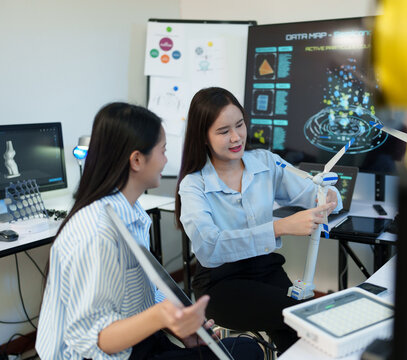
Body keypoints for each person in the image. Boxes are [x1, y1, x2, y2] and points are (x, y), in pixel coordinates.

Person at [36, 102, 262, 360]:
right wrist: (161, 317)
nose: (166, 160)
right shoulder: (98, 232)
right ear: (136, 160)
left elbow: (141, 298)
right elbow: (93, 342)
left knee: (236, 350)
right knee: (246, 353)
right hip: (101, 354)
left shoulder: (130, 213)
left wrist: (179, 327)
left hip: (137, 341)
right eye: (163, 151)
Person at [175, 87, 343, 354]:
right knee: (297, 317)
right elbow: (210, 247)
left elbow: (312, 193)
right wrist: (281, 227)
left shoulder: (265, 162)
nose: (236, 137)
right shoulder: (193, 185)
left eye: (239, 125)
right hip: (221, 284)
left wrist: (327, 195)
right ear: (203, 136)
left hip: (266, 269)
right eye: (223, 131)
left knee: (304, 337)